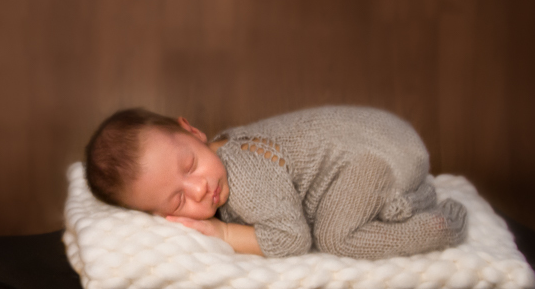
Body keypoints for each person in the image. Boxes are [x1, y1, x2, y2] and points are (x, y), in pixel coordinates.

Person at [84, 105, 467, 259]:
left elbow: (292, 238)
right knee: (345, 211)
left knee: (335, 237)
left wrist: (225, 235)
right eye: (177, 201)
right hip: (385, 144)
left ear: (193, 131)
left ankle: (439, 226)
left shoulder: (243, 174)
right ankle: (412, 197)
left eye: (189, 165)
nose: (199, 188)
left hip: (378, 155)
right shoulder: (218, 152)